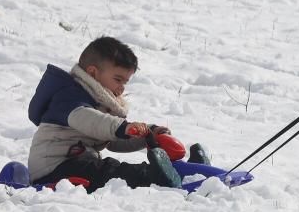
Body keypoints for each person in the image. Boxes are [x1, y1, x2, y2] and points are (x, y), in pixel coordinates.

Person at [27, 36, 185, 192]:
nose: (122, 88)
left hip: (77, 163)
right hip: (53, 168)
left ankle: (175, 171)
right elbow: (91, 120)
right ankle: (153, 177)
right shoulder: (69, 97)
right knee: (110, 170)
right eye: (118, 79)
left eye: (125, 82)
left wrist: (148, 134)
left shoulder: (98, 102)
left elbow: (113, 140)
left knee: (108, 169)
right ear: (93, 73)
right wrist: (123, 127)